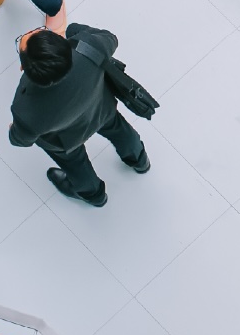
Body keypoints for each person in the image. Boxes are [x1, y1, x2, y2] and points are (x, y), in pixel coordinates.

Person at [8, 24, 149, 208]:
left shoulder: (25, 108)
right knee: (119, 130)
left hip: (65, 140)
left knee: (75, 163)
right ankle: (139, 159)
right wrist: (73, 31)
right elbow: (110, 37)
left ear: (22, 66)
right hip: (101, 108)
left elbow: (20, 140)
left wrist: (13, 130)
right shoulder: (88, 47)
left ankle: (94, 194)